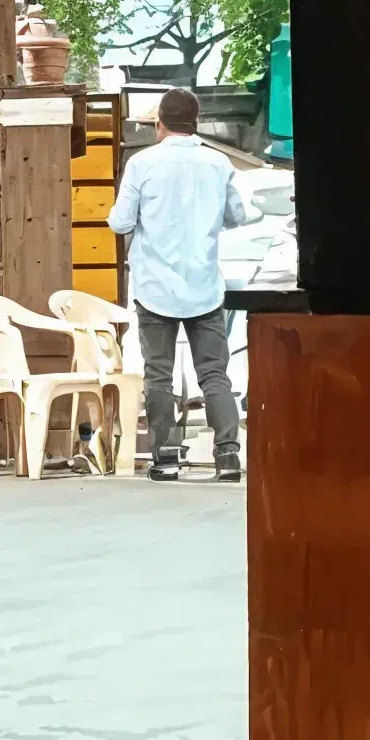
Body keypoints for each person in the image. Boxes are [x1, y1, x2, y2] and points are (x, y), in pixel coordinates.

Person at [111, 92, 251, 480]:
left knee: (159, 375)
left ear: (160, 124)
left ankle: (166, 458)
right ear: (197, 120)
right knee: (214, 374)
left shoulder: (142, 164)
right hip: (204, 286)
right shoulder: (218, 163)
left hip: (155, 288)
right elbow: (236, 215)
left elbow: (120, 223)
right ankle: (227, 457)